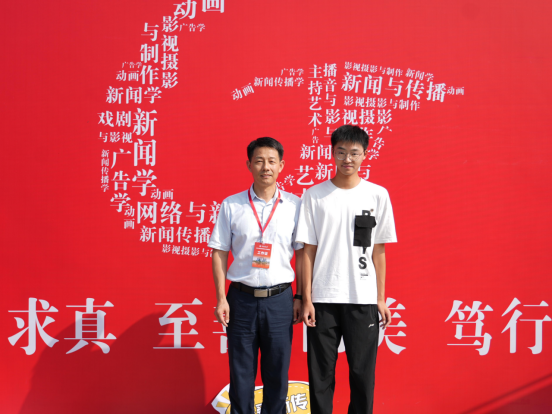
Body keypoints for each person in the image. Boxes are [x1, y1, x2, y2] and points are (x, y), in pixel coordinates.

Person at [296, 125, 397, 414]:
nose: (347, 159)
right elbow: (307, 251)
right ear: (332, 153)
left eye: (354, 153)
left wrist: (380, 298)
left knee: (362, 376)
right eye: (341, 152)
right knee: (320, 376)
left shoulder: (377, 195)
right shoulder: (314, 195)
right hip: (323, 300)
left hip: (362, 300)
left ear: (365, 155)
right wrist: (306, 298)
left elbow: (379, 251)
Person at [208, 137, 304, 414]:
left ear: (281, 165)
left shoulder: (295, 205)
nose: (266, 167)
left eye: (272, 161)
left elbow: (302, 254)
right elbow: (219, 252)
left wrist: (300, 296)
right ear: (249, 164)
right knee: (241, 374)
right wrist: (221, 298)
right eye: (259, 161)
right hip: (241, 300)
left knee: (277, 373)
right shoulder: (232, 205)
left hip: (280, 300)